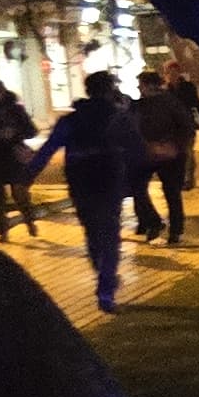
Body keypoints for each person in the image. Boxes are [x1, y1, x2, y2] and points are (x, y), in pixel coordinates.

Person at [27, 71, 149, 311]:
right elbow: (137, 149)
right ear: (108, 90)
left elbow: (49, 148)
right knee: (110, 233)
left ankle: (102, 274)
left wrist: (27, 175)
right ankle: (106, 289)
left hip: (80, 181)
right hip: (109, 179)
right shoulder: (118, 116)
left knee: (92, 231)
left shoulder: (71, 120)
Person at [131, 63, 198, 243]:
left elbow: (186, 127)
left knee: (171, 192)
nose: (139, 88)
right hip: (147, 154)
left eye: (141, 84)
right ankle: (154, 222)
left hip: (171, 155)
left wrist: (174, 146)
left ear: (150, 85)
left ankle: (175, 230)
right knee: (137, 188)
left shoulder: (169, 102)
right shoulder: (139, 105)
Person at [0, 77, 40, 239]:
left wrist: (14, 133)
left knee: (19, 192)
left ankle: (29, 221)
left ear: (3, 92)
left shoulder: (15, 109)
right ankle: (3, 230)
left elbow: (32, 131)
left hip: (13, 155)